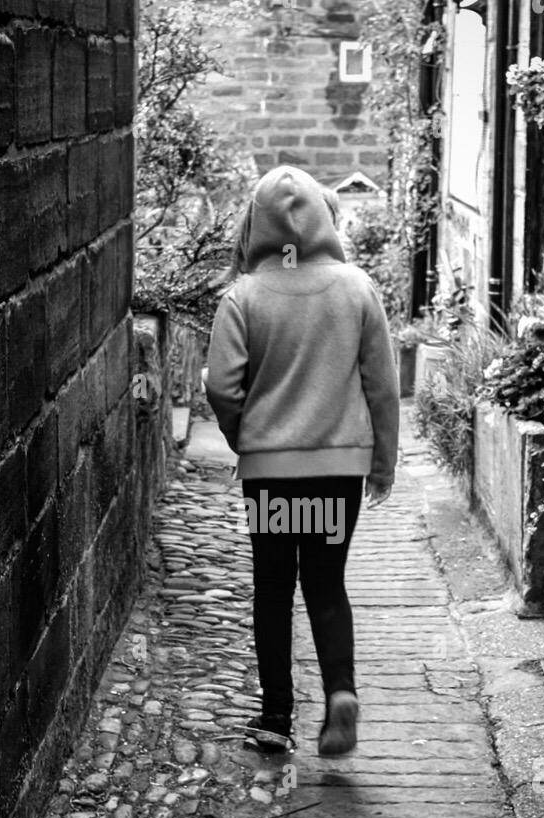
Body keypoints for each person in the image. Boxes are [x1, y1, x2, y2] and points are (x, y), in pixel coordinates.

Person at [205, 165, 399, 757]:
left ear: (256, 225)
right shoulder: (356, 288)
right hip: (336, 473)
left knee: (272, 587)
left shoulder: (243, 297)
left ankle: (275, 715)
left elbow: (221, 385)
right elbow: (382, 386)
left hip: (271, 475)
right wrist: (382, 463)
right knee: (325, 584)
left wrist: (247, 439)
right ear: (323, 217)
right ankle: (341, 692)